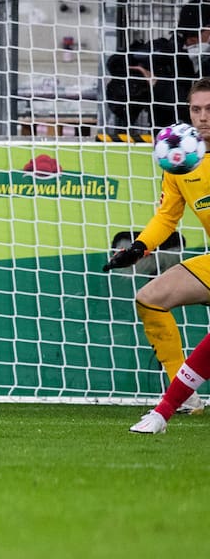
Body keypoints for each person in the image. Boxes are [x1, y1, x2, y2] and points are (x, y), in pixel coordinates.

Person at [105, 76, 210, 422]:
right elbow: (167, 217)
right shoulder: (181, 162)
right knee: (150, 298)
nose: (202, 117)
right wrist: (139, 248)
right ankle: (185, 395)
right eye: (196, 109)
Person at [105, 0, 210, 135]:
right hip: (166, 138)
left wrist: (158, 85)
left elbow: (192, 106)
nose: (190, 41)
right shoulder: (169, 56)